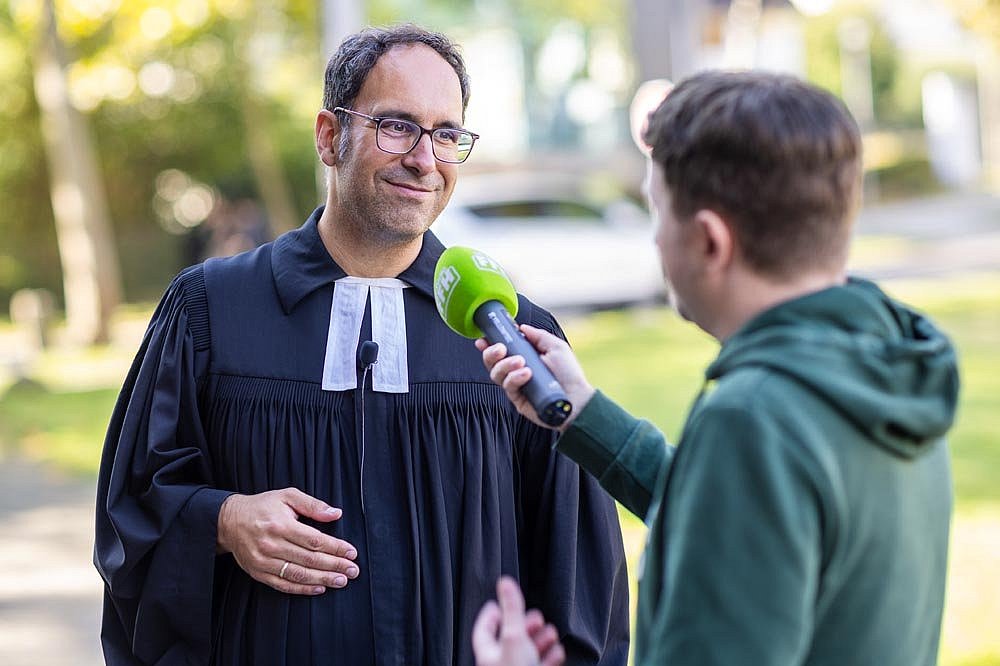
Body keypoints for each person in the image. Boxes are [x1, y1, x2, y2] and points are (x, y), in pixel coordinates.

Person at [95, 24, 629, 666]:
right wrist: (224, 519)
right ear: (329, 136)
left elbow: (578, 579)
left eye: (446, 135)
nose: (424, 160)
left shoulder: (511, 335)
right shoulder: (211, 309)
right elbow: (131, 505)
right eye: (397, 126)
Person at [473, 70, 958, 666]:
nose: (655, 240)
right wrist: (587, 415)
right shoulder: (882, 367)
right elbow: (751, 527)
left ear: (708, 241)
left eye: (657, 210)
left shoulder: (752, 420)